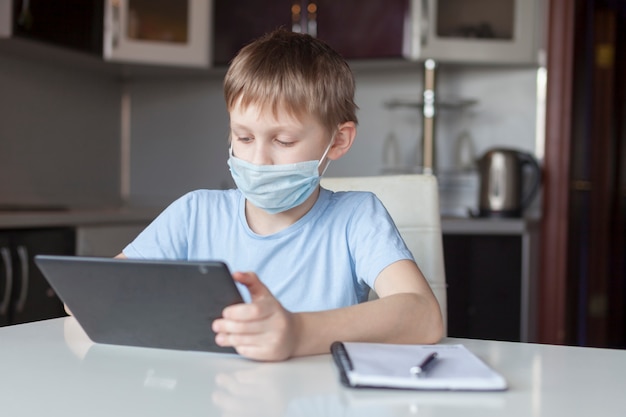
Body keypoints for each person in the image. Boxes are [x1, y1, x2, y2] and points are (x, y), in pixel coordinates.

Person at [117, 29, 443, 361]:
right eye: (243, 138)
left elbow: (425, 318)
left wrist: (297, 332)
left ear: (338, 141)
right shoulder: (194, 213)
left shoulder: (357, 218)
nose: (258, 161)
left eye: (283, 141)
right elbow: (95, 296)